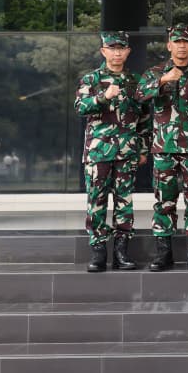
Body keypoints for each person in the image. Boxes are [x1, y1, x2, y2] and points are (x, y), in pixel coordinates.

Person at [135, 24, 188, 271]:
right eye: (177, 42)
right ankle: (164, 253)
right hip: (164, 149)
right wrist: (163, 80)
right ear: (169, 45)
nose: (181, 46)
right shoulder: (155, 72)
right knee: (164, 202)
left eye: (186, 42)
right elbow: (139, 96)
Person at [74, 31, 150, 273]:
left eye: (121, 48)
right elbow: (80, 107)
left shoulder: (135, 81)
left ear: (128, 51)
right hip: (98, 153)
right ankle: (98, 252)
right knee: (96, 201)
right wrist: (103, 97)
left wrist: (143, 148)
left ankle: (121, 252)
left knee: (124, 203)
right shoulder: (91, 79)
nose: (117, 53)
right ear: (103, 51)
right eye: (112, 48)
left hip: (126, 152)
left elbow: (144, 118)